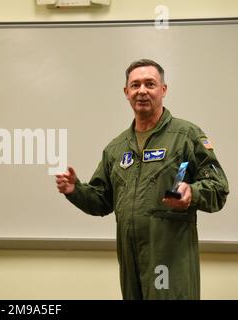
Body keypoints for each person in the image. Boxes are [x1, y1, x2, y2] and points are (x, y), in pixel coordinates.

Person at [55, 59, 229, 300]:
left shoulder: (185, 136)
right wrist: (75, 189)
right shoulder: (116, 148)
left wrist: (193, 192)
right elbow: (101, 201)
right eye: (135, 85)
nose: (142, 91)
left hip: (169, 260)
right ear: (126, 93)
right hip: (130, 262)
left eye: (150, 84)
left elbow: (219, 187)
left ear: (163, 90)